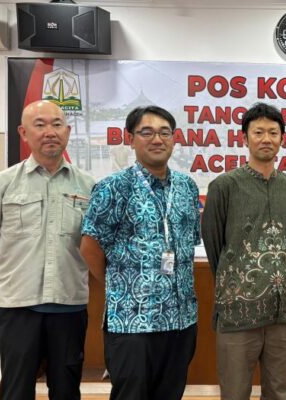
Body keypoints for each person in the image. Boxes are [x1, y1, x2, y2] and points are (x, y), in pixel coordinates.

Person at [0, 100, 95, 400]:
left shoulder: (89, 186)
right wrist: (17, 271)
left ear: (68, 131)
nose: (49, 132)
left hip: (69, 307)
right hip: (18, 308)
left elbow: (93, 244)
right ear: (23, 133)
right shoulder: (2, 184)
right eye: (40, 125)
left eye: (57, 124)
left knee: (66, 391)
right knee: (16, 391)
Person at [80, 105, 200, 400]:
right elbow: (90, 246)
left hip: (181, 319)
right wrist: (119, 283)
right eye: (146, 132)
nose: (157, 139)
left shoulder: (187, 187)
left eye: (164, 132)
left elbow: (189, 242)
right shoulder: (112, 188)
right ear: (130, 139)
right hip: (132, 320)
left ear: (174, 139)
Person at [201, 103, 286, 400]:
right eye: (258, 132)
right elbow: (213, 244)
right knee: (235, 392)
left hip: (284, 311)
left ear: (283, 138)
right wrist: (236, 283)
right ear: (244, 138)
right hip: (238, 312)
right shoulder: (224, 186)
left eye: (273, 132)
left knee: (280, 392)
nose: (266, 139)